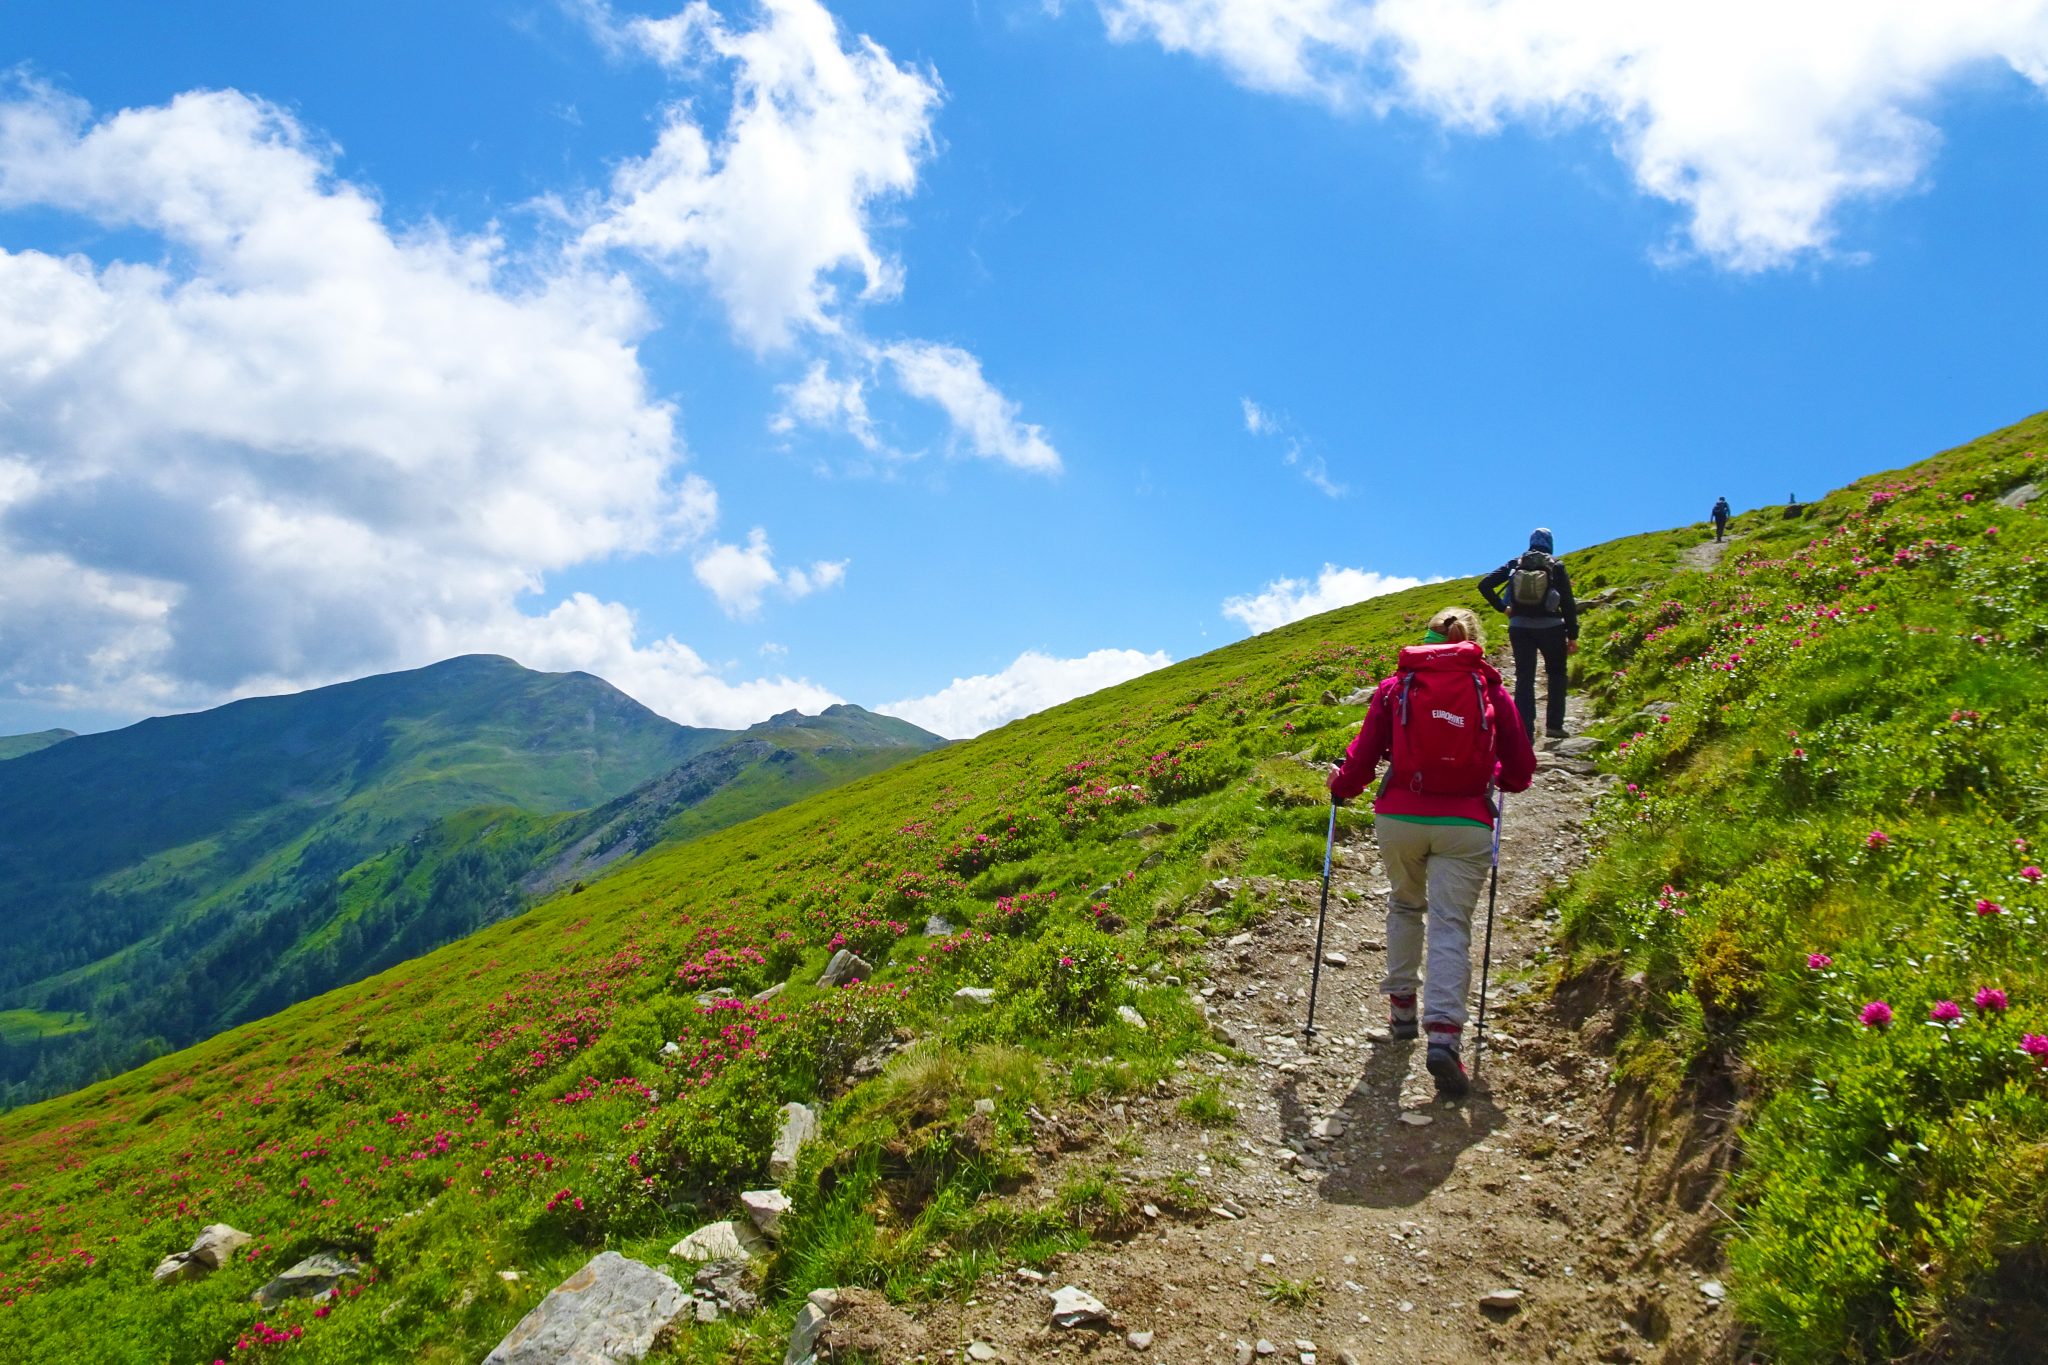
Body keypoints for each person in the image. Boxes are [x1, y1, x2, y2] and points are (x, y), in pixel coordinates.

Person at [1326, 607, 1537, 1099]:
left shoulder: (1395, 686)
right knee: (1450, 924)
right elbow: (1521, 771)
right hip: (1465, 824)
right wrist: (1496, 777)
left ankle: (1402, 1011)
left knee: (1405, 904)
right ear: (1473, 641)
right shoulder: (1489, 688)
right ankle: (1443, 1035)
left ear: (1425, 639)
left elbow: (1360, 759)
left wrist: (1341, 786)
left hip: (1399, 818)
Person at [1477, 528, 1579, 741]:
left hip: (1520, 627)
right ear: (1549, 543)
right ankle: (1554, 725)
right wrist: (1572, 634)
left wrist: (1502, 608)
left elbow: (1485, 584)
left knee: (1525, 677)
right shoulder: (1556, 565)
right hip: (1552, 627)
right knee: (1557, 674)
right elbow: (1567, 602)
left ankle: (1525, 731)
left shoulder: (1516, 563)